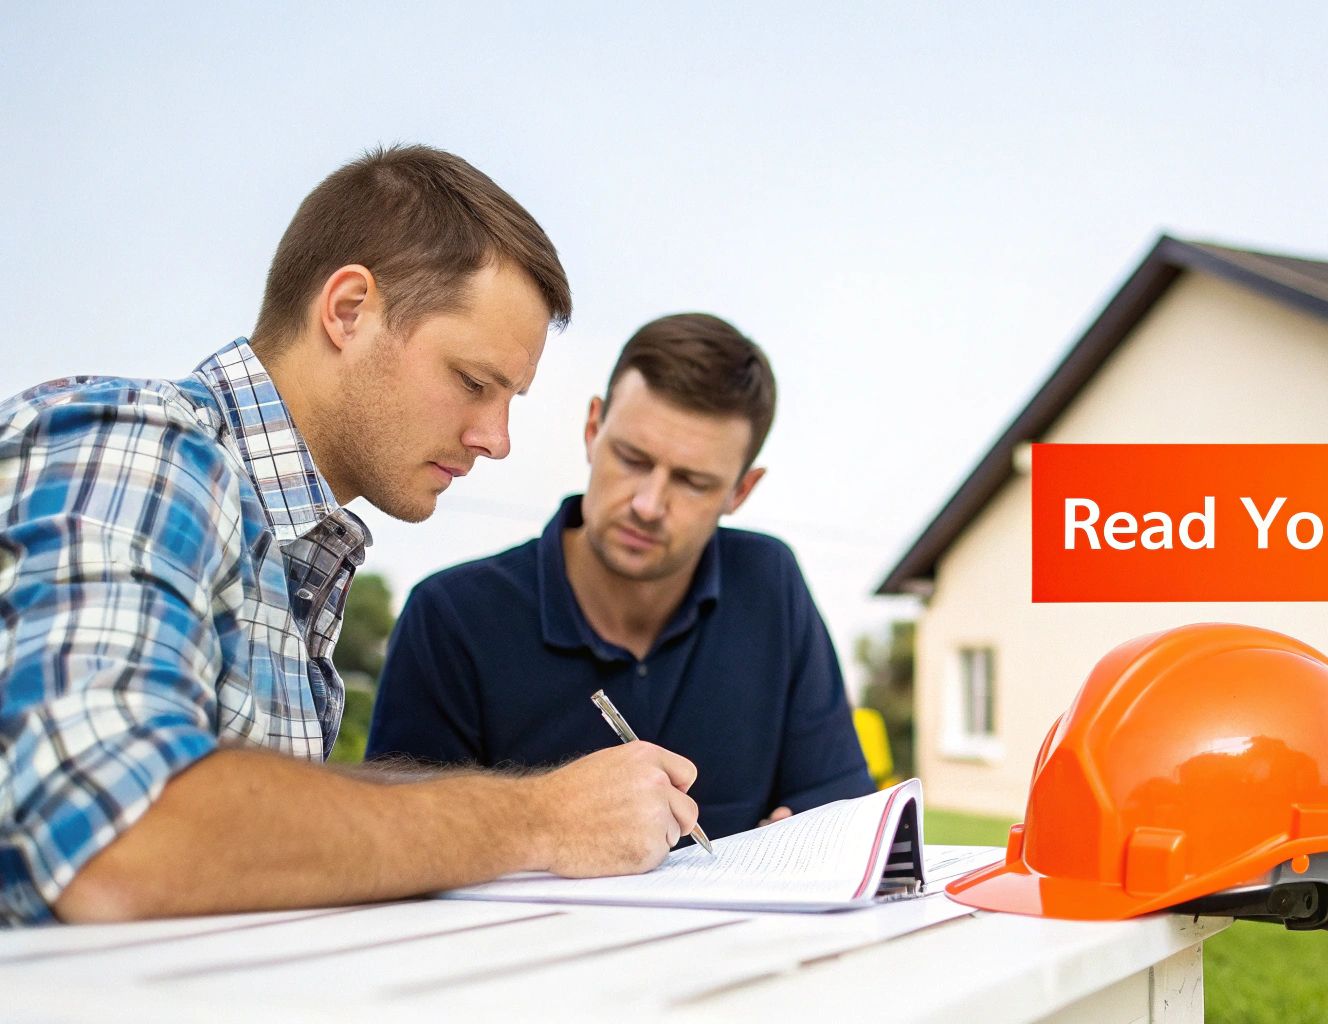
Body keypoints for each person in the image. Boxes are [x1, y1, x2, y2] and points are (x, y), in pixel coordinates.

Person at [0, 145, 700, 927]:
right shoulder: (144, 451)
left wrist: (553, 803)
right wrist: (542, 821)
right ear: (348, 311)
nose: (496, 439)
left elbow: (249, 813)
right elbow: (115, 837)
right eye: (473, 382)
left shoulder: (283, 539)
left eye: (510, 399)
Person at [367, 313, 874, 839]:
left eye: (693, 482)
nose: (648, 505)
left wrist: (818, 837)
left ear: (740, 492)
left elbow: (843, 815)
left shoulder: (769, 585)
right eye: (632, 459)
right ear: (593, 430)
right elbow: (398, 842)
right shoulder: (451, 618)